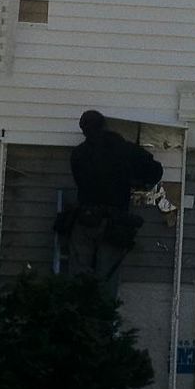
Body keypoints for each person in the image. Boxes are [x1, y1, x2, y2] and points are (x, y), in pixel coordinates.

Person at [61, 109, 165, 282]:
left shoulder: (79, 154)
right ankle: (102, 307)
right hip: (114, 221)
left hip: (86, 218)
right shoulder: (124, 149)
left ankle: (78, 306)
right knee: (106, 277)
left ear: (83, 129)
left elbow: (81, 181)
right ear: (104, 126)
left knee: (79, 274)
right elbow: (156, 170)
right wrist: (139, 183)